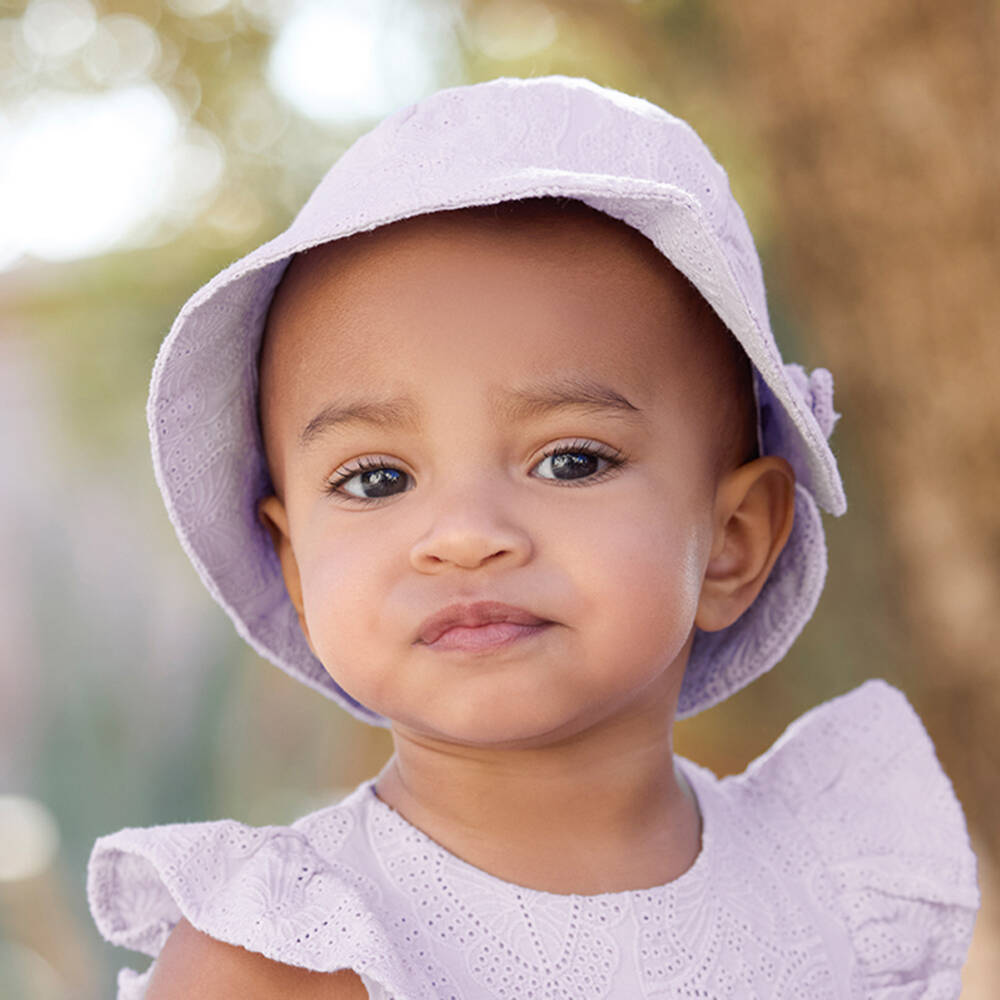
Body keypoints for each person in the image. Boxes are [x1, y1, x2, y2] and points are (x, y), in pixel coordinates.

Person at [86, 75, 980, 999]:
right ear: (296, 568)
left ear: (733, 539)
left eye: (571, 461)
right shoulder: (282, 955)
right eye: (377, 479)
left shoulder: (831, 898)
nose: (466, 537)